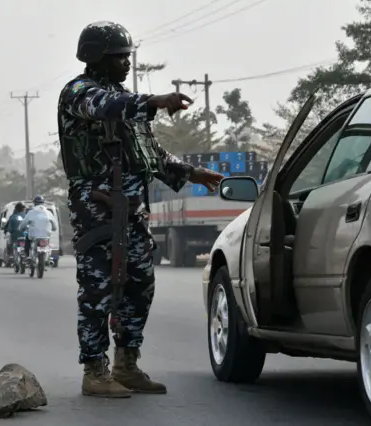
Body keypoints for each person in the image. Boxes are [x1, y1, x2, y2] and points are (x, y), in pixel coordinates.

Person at [58, 21, 224, 399]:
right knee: (98, 288)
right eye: (119, 57)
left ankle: (126, 364)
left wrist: (192, 172)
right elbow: (105, 106)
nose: (126, 64)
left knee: (139, 284)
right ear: (97, 58)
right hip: (96, 206)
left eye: (127, 57)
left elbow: (151, 154)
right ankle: (94, 370)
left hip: (133, 210)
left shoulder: (125, 99)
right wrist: (152, 101)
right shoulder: (79, 92)